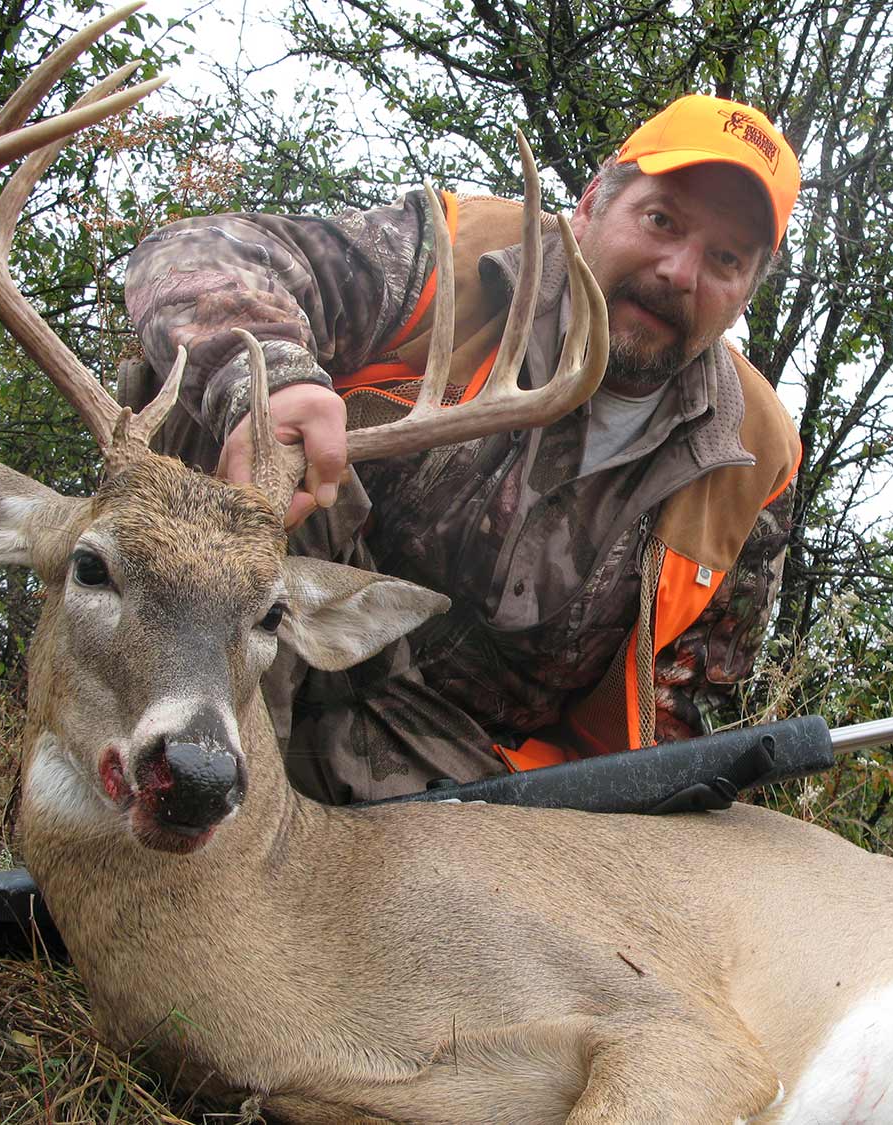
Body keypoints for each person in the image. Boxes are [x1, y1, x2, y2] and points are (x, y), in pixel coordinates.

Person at [123, 94, 804, 804]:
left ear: (746, 291)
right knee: (195, 398)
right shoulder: (455, 254)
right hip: (258, 615)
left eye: (725, 258)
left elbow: (678, 713)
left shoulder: (755, 458)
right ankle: (157, 773)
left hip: (451, 763)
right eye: (661, 221)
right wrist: (268, 381)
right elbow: (199, 252)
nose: (679, 272)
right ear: (593, 203)